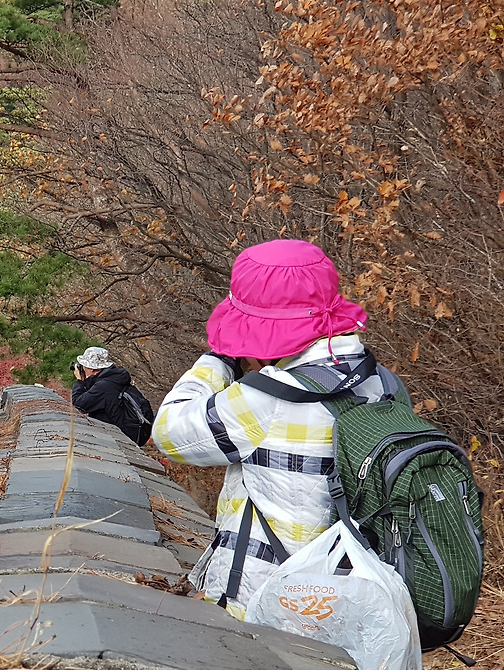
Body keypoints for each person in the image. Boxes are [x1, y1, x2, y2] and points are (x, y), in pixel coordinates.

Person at [151, 238, 399, 616]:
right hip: (359, 604)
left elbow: (168, 432)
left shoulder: (267, 399)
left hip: (270, 606)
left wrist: (218, 360)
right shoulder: (383, 383)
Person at [70, 346, 153, 446]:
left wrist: (79, 381)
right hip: (127, 432)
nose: (82, 368)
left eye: (83, 365)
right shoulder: (114, 379)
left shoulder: (104, 386)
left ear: (91, 368)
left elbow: (78, 405)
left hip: (119, 438)